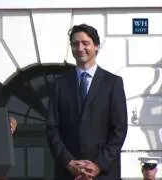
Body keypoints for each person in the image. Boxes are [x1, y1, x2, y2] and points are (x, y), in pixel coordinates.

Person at [46, 24, 128, 179]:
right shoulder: (60, 84)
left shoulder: (113, 83)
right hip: (68, 173)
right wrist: (69, 162)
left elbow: (119, 129)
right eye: (75, 44)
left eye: (85, 43)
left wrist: (98, 165)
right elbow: (52, 128)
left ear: (96, 46)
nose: (80, 48)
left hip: (103, 173)